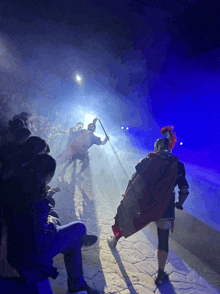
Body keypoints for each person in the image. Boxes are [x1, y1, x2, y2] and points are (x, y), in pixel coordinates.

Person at [0, 153, 99, 294]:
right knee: (79, 227)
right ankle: (77, 285)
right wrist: (48, 213)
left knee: (57, 221)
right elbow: (38, 243)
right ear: (50, 174)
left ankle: (77, 283)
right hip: (25, 255)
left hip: (15, 240)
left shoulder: (16, 184)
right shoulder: (36, 198)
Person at [107, 126, 189, 286]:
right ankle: (160, 274)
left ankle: (114, 240)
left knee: (129, 221)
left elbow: (134, 180)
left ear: (157, 147)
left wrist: (128, 199)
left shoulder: (148, 160)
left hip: (144, 203)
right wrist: (180, 203)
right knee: (163, 240)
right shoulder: (178, 165)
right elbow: (184, 189)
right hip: (165, 206)